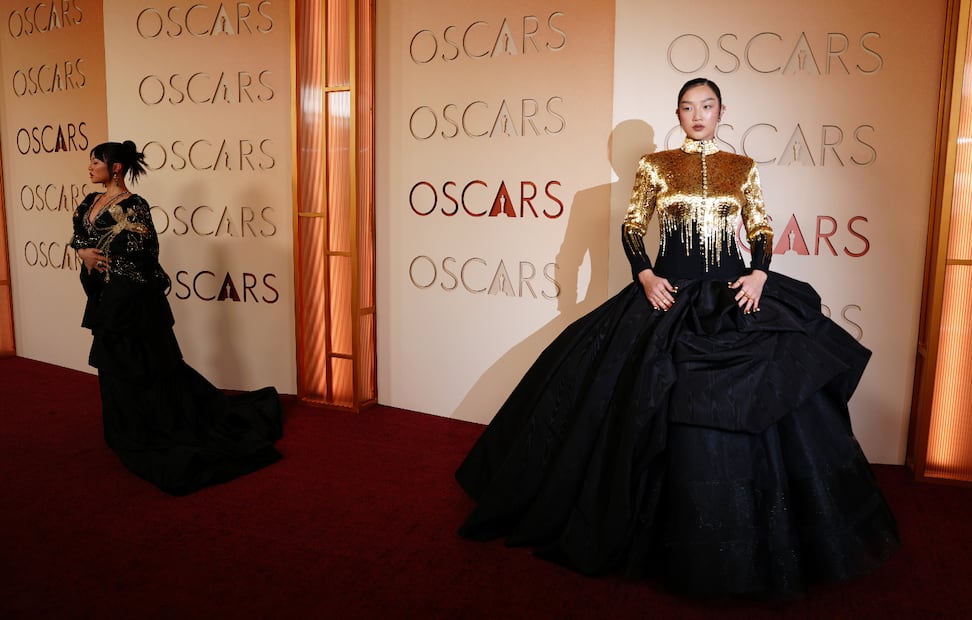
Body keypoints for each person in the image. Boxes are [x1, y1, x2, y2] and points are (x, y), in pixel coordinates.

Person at [455, 78, 899, 596]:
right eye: (688, 107)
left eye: (707, 106)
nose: (698, 115)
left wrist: (759, 273)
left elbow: (759, 226)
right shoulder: (655, 166)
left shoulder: (742, 168)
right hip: (667, 292)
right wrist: (644, 275)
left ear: (721, 111)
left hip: (734, 293)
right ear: (678, 114)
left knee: (766, 401)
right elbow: (632, 225)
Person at [70, 140, 283, 496]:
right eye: (90, 161)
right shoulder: (89, 202)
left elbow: (144, 252)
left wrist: (107, 267)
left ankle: (143, 427)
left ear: (116, 167)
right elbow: (79, 236)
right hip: (103, 294)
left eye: (96, 161)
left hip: (129, 297)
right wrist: (84, 255)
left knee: (141, 363)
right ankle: (122, 427)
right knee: (112, 363)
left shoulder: (135, 206)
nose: (90, 167)